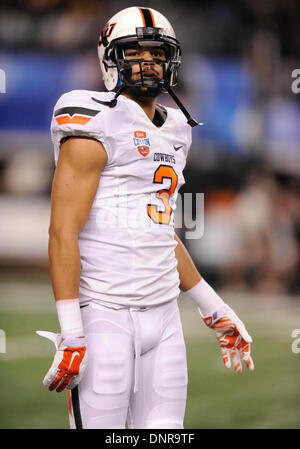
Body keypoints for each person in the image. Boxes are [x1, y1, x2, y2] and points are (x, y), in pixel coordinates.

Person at [37, 6, 254, 429]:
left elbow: (161, 233)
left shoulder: (177, 128)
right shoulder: (91, 117)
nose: (149, 62)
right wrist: (72, 332)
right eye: (136, 52)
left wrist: (215, 309)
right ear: (109, 59)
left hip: (165, 317)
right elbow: (62, 230)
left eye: (157, 53)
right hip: (104, 315)